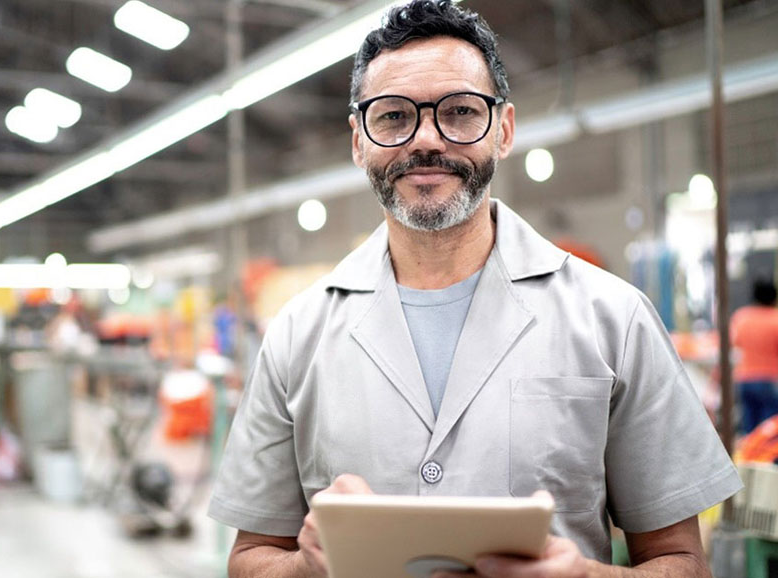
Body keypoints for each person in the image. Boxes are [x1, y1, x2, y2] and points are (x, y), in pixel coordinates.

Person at [208, 1, 742, 576]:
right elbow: (250, 558)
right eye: (392, 116)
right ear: (358, 140)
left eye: (460, 112)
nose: (428, 140)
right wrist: (305, 569)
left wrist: (587, 576)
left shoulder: (615, 319)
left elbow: (682, 561)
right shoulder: (296, 334)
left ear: (504, 129)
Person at [730, 278, 778, 435]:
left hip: (745, 379)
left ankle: (750, 458)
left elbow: (735, 346)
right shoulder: (775, 319)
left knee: (750, 430)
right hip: (770, 380)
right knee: (769, 432)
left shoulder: (742, 318)